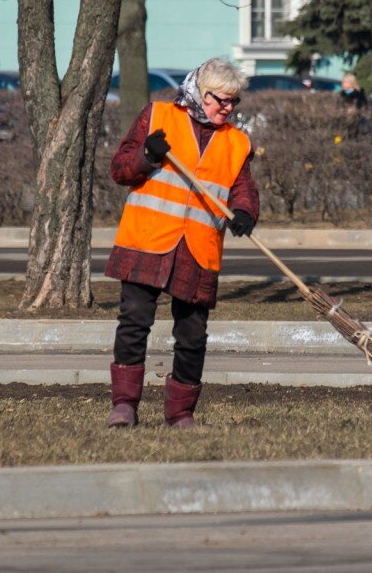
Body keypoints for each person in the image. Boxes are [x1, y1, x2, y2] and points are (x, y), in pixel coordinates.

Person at [105, 58, 259, 428]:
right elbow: (120, 169)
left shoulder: (237, 142)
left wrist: (245, 212)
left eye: (233, 102)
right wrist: (147, 156)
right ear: (199, 91)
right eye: (220, 100)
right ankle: (124, 405)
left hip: (198, 250)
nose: (227, 108)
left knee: (192, 336)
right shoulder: (157, 116)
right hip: (147, 242)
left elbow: (243, 188)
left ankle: (181, 413)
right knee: (134, 323)